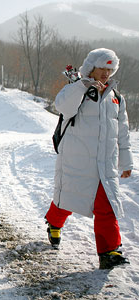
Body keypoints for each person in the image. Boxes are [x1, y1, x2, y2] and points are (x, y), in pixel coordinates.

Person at [45, 48, 133, 269]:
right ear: (91, 68)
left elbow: (122, 131)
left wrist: (126, 161)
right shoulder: (76, 89)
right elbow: (62, 106)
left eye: (110, 69)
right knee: (67, 200)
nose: (106, 73)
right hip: (78, 160)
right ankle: (54, 223)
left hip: (105, 164)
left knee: (107, 207)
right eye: (102, 68)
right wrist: (82, 86)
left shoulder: (116, 98)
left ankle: (109, 251)